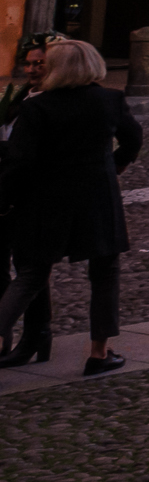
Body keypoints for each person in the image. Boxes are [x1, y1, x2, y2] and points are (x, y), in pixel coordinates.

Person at [0, 39, 142, 375]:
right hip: (97, 198)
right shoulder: (109, 100)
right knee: (105, 274)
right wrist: (114, 164)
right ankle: (99, 353)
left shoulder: (38, 107)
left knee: (30, 276)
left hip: (45, 200)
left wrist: (5, 201)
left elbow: (20, 162)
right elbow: (133, 138)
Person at [0, 35, 54, 362]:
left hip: (29, 194)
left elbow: (32, 152)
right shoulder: (21, 94)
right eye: (29, 63)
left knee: (29, 268)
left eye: (39, 64)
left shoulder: (55, 101)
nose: (32, 69)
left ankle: (34, 335)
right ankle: (33, 336)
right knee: (20, 268)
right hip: (8, 188)